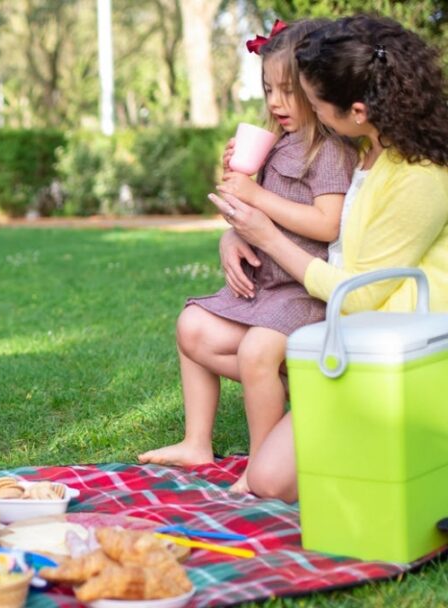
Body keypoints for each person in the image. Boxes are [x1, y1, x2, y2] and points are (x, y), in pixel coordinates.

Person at [214, 15, 448, 502]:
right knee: (269, 478)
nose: (311, 114)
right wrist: (238, 229)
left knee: (271, 481)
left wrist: (270, 237)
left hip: (404, 352)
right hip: (358, 339)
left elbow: (360, 296)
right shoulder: (368, 147)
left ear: (358, 110)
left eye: (316, 104)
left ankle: (398, 444)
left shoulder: (420, 176)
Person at [138, 20, 355, 493]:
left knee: (258, 351)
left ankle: (261, 463)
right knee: (191, 325)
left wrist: (257, 197)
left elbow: (327, 223)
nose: (276, 102)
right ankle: (197, 440)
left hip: (304, 291)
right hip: (267, 288)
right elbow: (251, 216)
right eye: (268, 89)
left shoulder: (331, 151)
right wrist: (234, 214)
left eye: (288, 91)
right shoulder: (275, 144)